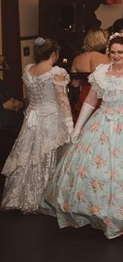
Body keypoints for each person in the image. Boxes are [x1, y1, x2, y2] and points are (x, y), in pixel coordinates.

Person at [43, 33, 123, 239]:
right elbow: (90, 100)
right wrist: (78, 128)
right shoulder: (101, 72)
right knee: (97, 170)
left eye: (120, 52)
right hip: (102, 122)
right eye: (112, 52)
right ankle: (101, 213)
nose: (115, 56)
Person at [2, 37, 72, 213]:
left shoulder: (28, 71)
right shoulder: (56, 72)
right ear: (54, 54)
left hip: (32, 118)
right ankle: (47, 197)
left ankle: (22, 196)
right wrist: (70, 124)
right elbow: (62, 100)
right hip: (51, 116)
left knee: (30, 156)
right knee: (47, 155)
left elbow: (28, 97)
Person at [70, 28, 108, 117]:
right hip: (103, 99)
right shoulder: (107, 58)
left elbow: (75, 84)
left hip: (84, 100)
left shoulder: (77, 59)